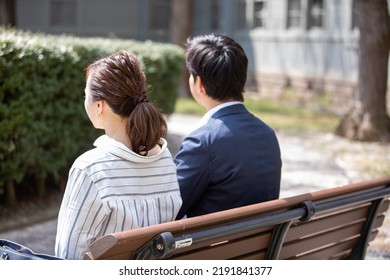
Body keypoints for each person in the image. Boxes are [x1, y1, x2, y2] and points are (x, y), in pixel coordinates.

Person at [55, 50, 182, 259]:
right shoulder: (165, 160)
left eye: (85, 95)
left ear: (99, 105)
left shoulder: (90, 169)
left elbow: (68, 256)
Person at [174, 34, 282, 219]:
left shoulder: (202, 142)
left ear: (199, 84)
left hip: (211, 246)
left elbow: (170, 208)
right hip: (257, 245)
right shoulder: (267, 134)